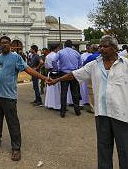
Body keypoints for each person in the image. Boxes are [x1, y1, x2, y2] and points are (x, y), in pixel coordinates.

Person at [51, 35, 128, 169]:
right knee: (104, 149)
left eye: (105, 46)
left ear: (115, 49)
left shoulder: (125, 65)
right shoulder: (94, 65)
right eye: (100, 46)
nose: (102, 49)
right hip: (102, 114)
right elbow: (74, 74)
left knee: (125, 150)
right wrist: (56, 80)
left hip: (121, 114)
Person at [0, 36, 51, 161]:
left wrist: (44, 78)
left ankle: (16, 148)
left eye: (6, 43)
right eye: (1, 43)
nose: (3, 45)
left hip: (9, 97)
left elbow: (28, 70)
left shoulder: (16, 57)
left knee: (13, 123)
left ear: (10, 45)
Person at [53, 40, 82, 118]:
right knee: (75, 93)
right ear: (71, 45)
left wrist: (57, 69)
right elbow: (80, 64)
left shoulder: (60, 52)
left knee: (64, 93)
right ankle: (77, 111)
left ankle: (63, 112)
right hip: (74, 73)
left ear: (64, 45)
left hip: (64, 73)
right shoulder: (76, 53)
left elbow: (54, 61)